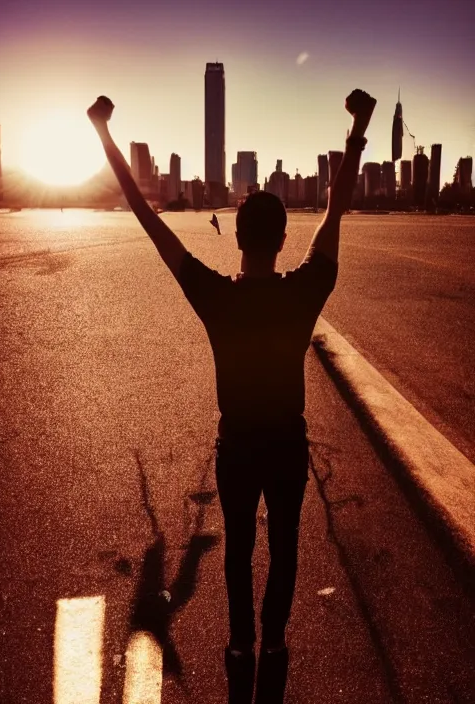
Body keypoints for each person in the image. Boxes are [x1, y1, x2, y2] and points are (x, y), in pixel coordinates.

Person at [87, 89, 376, 703]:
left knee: (239, 549)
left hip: (238, 445)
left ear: (238, 234)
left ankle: (241, 642)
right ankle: (272, 641)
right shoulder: (303, 293)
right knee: (287, 545)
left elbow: (146, 216)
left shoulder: (217, 297)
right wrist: (357, 130)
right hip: (287, 444)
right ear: (280, 237)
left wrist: (104, 137)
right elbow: (337, 209)